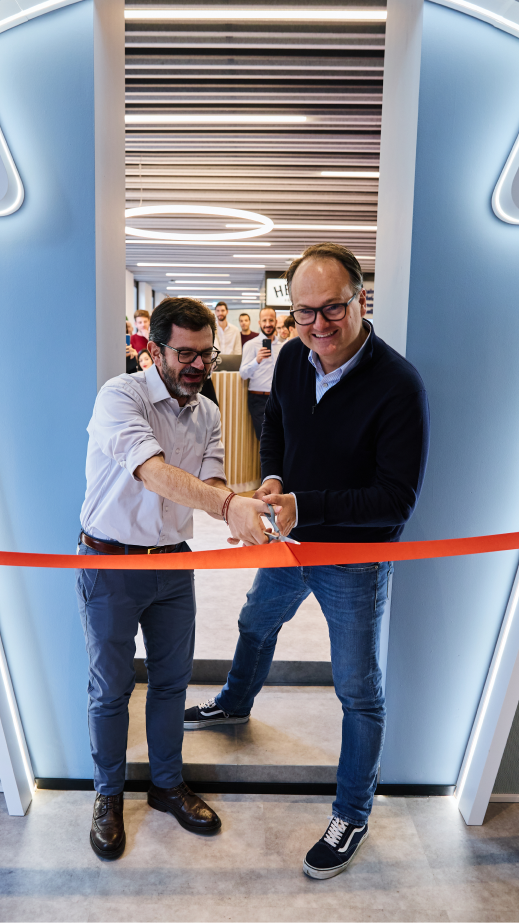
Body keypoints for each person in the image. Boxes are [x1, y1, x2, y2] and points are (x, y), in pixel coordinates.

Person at [184, 243, 430, 880]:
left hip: (354, 562)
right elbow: (279, 429)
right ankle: (236, 703)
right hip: (290, 543)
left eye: (332, 309)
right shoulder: (293, 358)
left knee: (358, 693)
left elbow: (395, 498)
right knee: (254, 622)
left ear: (360, 301)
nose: (318, 325)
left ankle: (352, 812)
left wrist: (301, 504)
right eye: (305, 312)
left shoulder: (399, 385)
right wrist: (270, 478)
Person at [77, 297, 269, 861]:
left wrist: (240, 509)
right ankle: (108, 795)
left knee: (170, 684)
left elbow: (211, 483)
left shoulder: (208, 411)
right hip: (109, 562)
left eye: (206, 355)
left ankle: (166, 785)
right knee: (110, 690)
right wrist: (227, 501)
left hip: (172, 564)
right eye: (184, 353)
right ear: (154, 350)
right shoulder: (121, 396)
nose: (197, 365)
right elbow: (155, 473)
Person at [238, 306, 282, 441]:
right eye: (264, 320)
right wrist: (257, 360)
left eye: (271, 320)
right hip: (259, 400)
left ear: (275, 321)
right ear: (259, 323)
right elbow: (243, 374)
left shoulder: (283, 345)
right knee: (266, 440)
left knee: (282, 439)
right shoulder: (251, 345)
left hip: (280, 399)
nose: (268, 324)